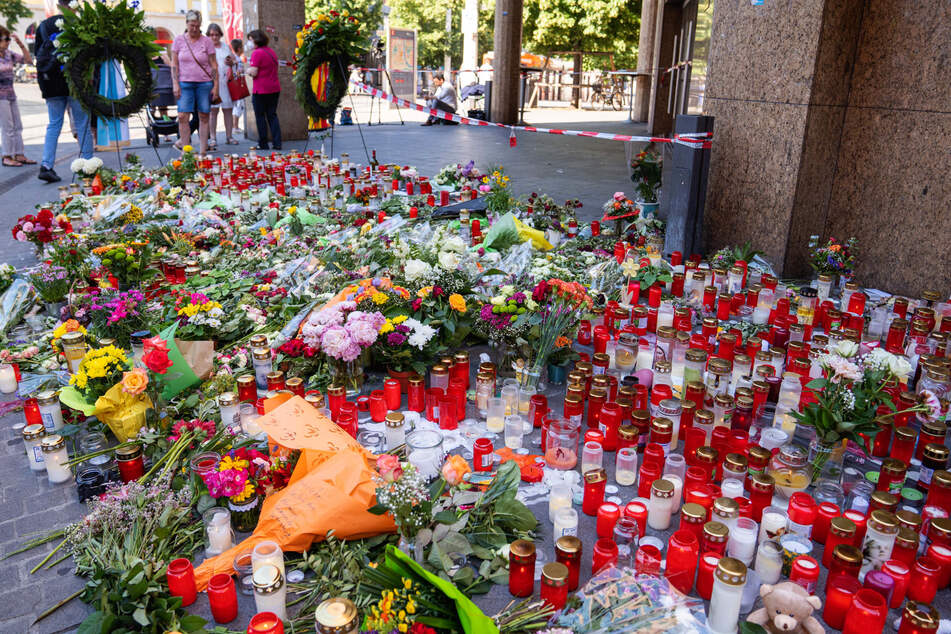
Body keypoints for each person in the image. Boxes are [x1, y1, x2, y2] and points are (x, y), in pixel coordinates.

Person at [35, 0, 94, 183]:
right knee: (82, 123)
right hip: (73, 80)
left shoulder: (44, 26)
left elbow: (38, 54)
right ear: (73, 6)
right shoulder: (78, 25)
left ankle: (46, 165)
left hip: (50, 82)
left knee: (54, 124)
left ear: (59, 5)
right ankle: (89, 165)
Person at [170, 10, 218, 153]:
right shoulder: (178, 40)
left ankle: (203, 151)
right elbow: (174, 64)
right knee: (182, 116)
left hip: (204, 83)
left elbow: (214, 65)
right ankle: (186, 151)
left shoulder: (207, 41)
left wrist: (216, 87)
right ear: (187, 24)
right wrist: (175, 83)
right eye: (192, 25)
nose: (195, 29)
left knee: (204, 115)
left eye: (197, 26)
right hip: (184, 83)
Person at [0, 26, 34, 166]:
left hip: (11, 95)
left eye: (9, 39)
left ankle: (19, 154)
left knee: (17, 125)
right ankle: (7, 156)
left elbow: (28, 61)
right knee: (7, 127)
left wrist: (21, 44)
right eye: (6, 39)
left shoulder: (9, 54)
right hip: (0, 97)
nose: (8, 41)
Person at [246, 29, 281, 150]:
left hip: (261, 90)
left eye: (250, 40)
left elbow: (254, 72)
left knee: (260, 117)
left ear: (257, 40)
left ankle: (263, 143)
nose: (249, 43)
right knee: (272, 116)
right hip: (274, 88)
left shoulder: (257, 53)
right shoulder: (271, 51)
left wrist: (248, 70)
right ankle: (277, 143)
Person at [206, 23, 237, 148]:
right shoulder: (206, 47)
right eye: (212, 35)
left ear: (220, 35)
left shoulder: (225, 46)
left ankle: (229, 136)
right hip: (212, 83)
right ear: (208, 35)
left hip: (225, 82)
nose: (214, 37)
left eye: (217, 34)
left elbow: (234, 60)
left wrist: (231, 62)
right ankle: (213, 138)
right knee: (213, 111)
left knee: (228, 109)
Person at [230, 38, 246, 134]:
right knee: (238, 105)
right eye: (242, 47)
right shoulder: (237, 59)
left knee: (237, 105)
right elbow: (237, 72)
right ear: (239, 48)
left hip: (235, 84)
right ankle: (235, 126)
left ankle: (235, 126)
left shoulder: (235, 58)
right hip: (237, 84)